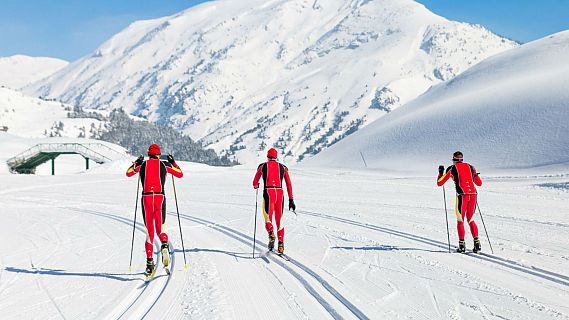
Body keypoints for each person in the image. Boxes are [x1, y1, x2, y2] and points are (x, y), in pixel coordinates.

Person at [126, 144, 183, 275]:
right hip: (159, 198)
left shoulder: (142, 165)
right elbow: (180, 174)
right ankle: (164, 243)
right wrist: (172, 162)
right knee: (160, 228)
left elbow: (128, 173)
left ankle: (149, 264)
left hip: (146, 199)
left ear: (148, 154)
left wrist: (136, 162)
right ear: (158, 154)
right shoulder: (164, 164)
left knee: (149, 233)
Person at [437, 151, 483, 253]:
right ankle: (477, 244)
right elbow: (479, 183)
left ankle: (462, 246)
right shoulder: (471, 167)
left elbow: (440, 183)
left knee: (460, 220)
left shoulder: (452, 168)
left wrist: (440, 172)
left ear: (454, 160)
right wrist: (473, 176)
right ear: (462, 159)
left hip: (462, 195)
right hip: (473, 195)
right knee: (471, 219)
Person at [252, 148, 295, 254]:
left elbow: (254, 182)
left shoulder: (262, 166)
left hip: (268, 193)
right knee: (279, 220)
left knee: (268, 218)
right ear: (276, 157)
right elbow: (288, 184)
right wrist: (291, 199)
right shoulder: (283, 168)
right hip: (280, 194)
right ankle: (281, 245)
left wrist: (256, 185)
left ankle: (271, 233)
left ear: (267, 156)